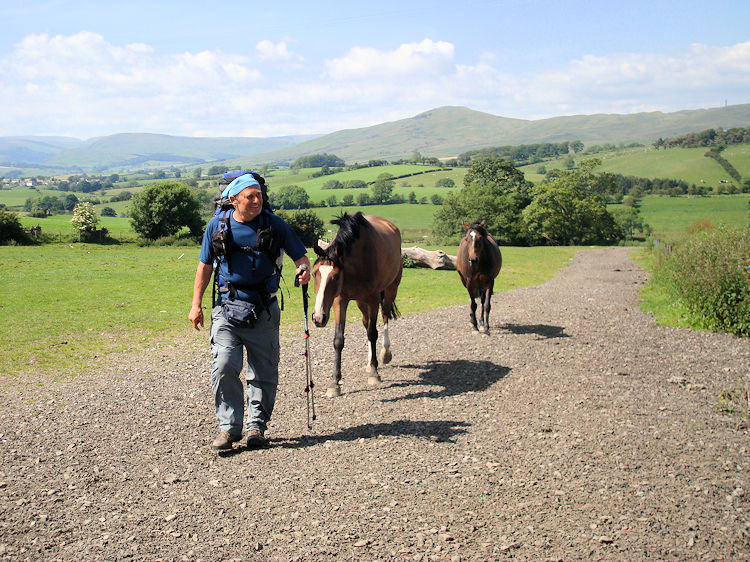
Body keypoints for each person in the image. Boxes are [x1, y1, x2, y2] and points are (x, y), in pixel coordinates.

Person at [189, 173, 311, 450]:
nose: (257, 201)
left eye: (259, 195)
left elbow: (301, 258)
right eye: (250, 196)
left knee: (263, 371)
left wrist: (304, 270)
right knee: (223, 366)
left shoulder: (275, 225)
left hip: (264, 309)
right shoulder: (216, 226)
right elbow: (204, 266)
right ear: (233, 200)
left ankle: (257, 427)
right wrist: (196, 305)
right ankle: (229, 429)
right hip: (226, 308)